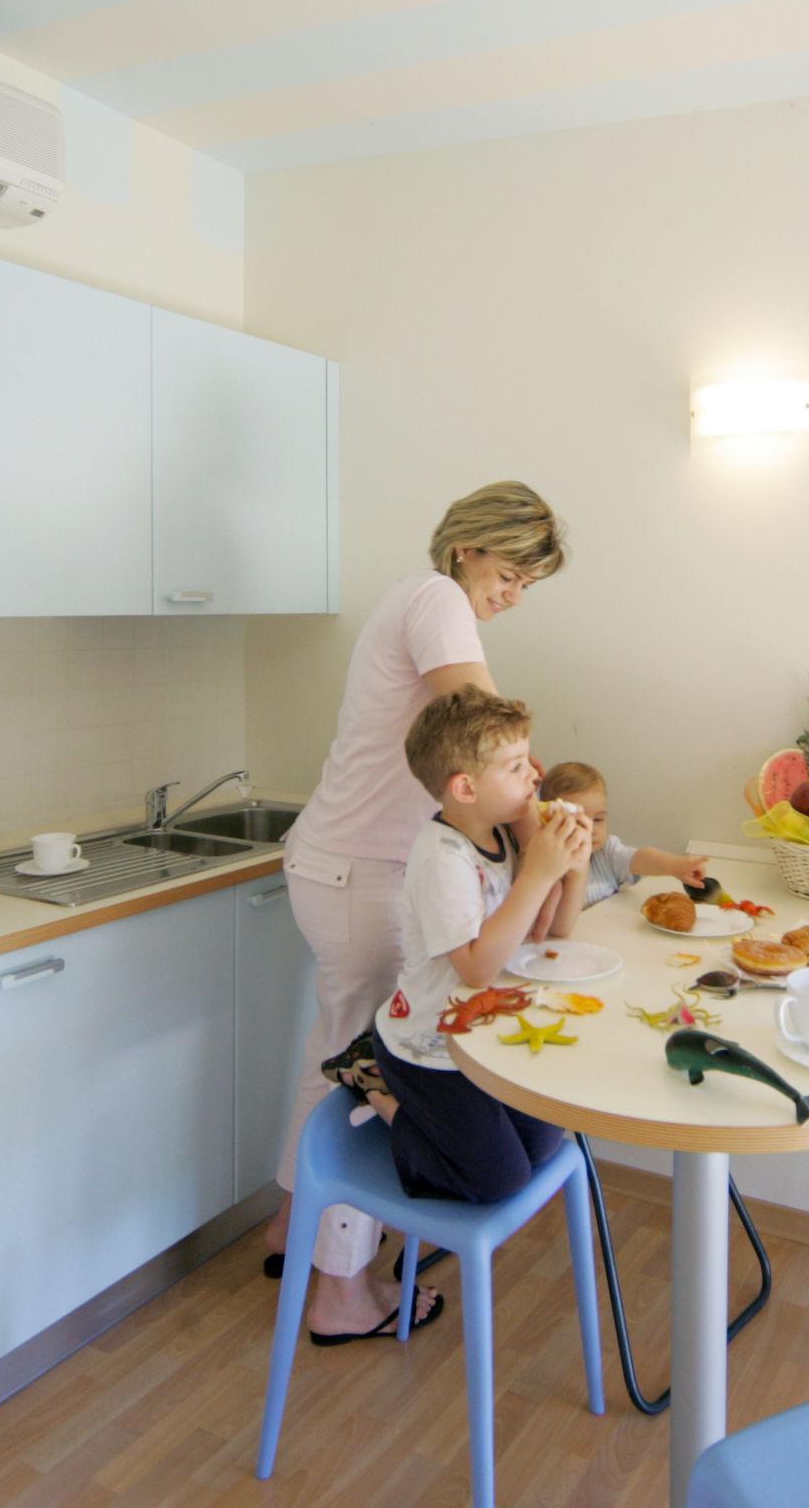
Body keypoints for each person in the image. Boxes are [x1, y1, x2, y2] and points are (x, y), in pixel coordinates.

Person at [268, 482, 567, 1342]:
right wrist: (549, 831)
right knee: (372, 1065)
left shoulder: (418, 598)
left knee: (336, 1052)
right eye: (510, 572)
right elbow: (484, 735)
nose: (512, 595)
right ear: (469, 548)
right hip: (362, 868)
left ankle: (295, 1235)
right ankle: (340, 1294)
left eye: (527, 583)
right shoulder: (438, 598)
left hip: (341, 860)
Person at [323, 687, 591, 1217]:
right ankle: (374, 1083)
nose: (535, 776)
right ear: (466, 787)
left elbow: (557, 930)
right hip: (427, 1048)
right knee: (499, 1180)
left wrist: (572, 865)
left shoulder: (505, 835)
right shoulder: (441, 858)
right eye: (516, 767)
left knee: (545, 1142)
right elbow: (476, 968)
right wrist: (538, 873)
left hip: (483, 1038)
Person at [537, 761, 709, 907]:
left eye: (598, 820)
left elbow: (640, 858)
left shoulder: (606, 852)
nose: (591, 830)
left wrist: (675, 866)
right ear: (547, 821)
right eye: (578, 821)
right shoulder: (544, 862)